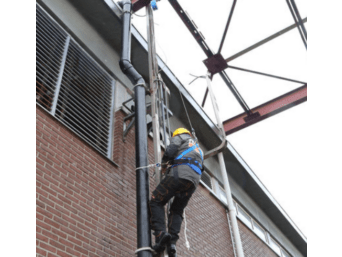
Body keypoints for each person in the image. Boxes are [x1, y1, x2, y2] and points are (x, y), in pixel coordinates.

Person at [149, 128, 204, 257]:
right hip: (193, 182)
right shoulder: (198, 148)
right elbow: (202, 168)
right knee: (177, 210)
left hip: (179, 175)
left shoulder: (180, 137)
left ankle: (161, 234)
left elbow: (170, 151)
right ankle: (172, 244)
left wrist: (163, 167)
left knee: (156, 200)